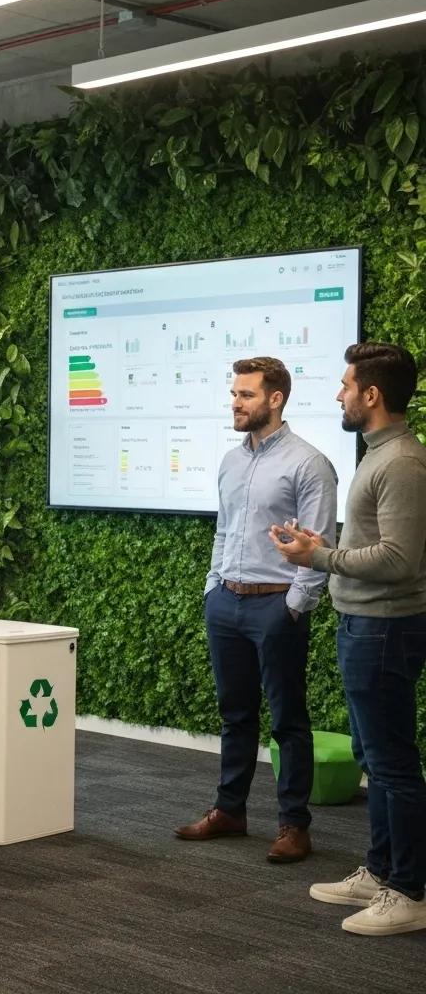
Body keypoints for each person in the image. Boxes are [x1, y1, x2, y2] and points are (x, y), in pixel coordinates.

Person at [270, 342, 426, 936]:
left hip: (387, 627)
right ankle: (383, 870)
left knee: (391, 764)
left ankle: (408, 890)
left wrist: (322, 555)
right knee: (373, 755)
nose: (338, 394)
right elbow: (376, 543)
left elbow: (399, 560)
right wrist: (321, 546)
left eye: (344, 385)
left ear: (371, 395)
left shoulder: (403, 463)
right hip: (364, 623)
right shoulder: (379, 455)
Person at [175, 356, 337, 863]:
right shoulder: (231, 460)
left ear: (275, 399)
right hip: (227, 602)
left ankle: (294, 824)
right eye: (234, 393)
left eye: (245, 395)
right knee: (235, 714)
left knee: (288, 720)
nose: (235, 403)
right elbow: (224, 531)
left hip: (275, 606)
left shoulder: (308, 463)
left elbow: (320, 543)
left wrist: (295, 604)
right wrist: (212, 588)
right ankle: (230, 811)